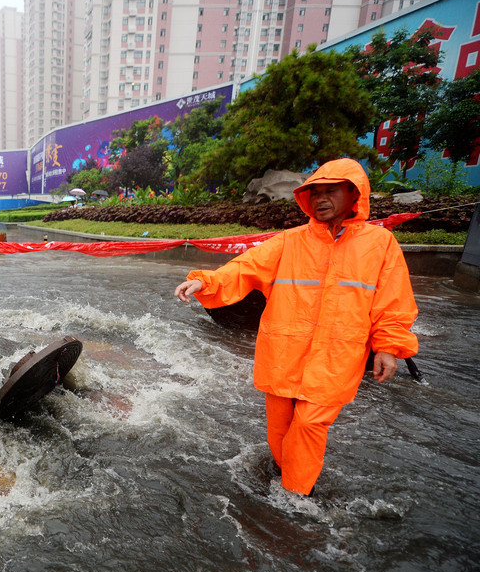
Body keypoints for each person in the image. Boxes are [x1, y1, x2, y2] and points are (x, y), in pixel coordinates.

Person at [173, 158, 418, 496]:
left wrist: (388, 347)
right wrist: (205, 282)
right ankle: (284, 471)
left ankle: (295, 498)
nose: (320, 199)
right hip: (283, 353)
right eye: (314, 192)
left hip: (337, 357)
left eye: (330, 191)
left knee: (309, 423)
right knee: (280, 427)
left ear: (353, 194)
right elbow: (246, 267)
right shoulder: (289, 241)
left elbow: (393, 300)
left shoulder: (380, 244)